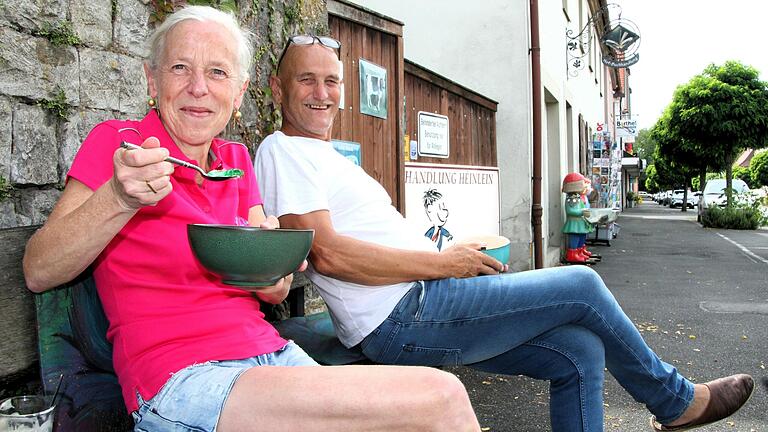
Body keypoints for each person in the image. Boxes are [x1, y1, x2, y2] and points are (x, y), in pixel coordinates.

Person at [254, 36, 755, 432]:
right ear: (278, 90)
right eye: (307, 80)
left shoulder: (323, 154)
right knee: (582, 285)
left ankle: (673, 403)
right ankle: (677, 402)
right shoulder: (283, 151)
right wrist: (444, 266)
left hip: (421, 300)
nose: (323, 94)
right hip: (401, 317)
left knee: (580, 352)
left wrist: (447, 254)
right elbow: (328, 255)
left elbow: (358, 245)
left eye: (332, 81)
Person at [22, 7, 481, 432]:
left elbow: (275, 291)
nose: (198, 87)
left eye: (217, 72)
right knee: (441, 398)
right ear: (152, 79)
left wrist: (270, 263)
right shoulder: (119, 146)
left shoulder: (237, 161)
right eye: (180, 67)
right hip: (178, 376)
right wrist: (118, 198)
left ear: (238, 92)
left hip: (269, 356)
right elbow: (39, 270)